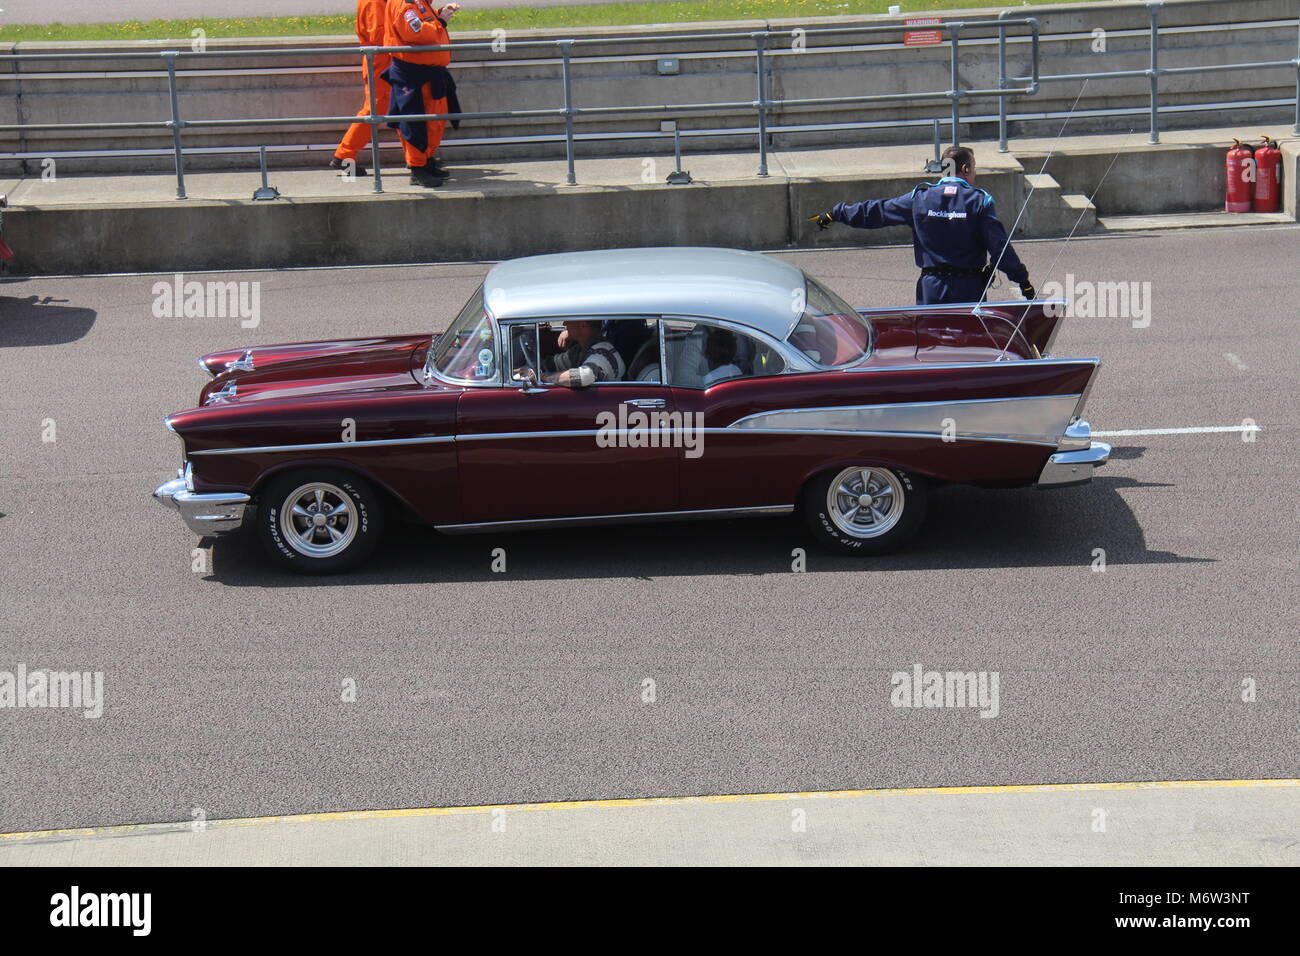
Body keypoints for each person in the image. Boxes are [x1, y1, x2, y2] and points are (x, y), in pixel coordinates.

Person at [808, 146, 1035, 306]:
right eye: (974, 168)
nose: (975, 174)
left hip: (931, 288)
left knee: (931, 349)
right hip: (968, 288)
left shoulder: (920, 198)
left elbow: (877, 211)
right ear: (965, 169)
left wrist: (836, 213)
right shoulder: (979, 200)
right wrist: (1022, 280)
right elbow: (1000, 248)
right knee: (968, 352)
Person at [383, 0, 462, 188]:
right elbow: (414, 32)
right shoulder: (405, 4)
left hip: (429, 74)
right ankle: (417, 168)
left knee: (434, 122)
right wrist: (440, 22)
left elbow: (419, 20)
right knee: (415, 122)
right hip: (414, 76)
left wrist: (439, 13)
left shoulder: (417, 2)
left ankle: (426, 161)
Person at [329, 0, 391, 177]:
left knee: (398, 109)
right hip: (382, 61)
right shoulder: (375, 2)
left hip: (384, 60)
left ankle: (421, 159)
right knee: (375, 109)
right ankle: (344, 156)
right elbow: (378, 35)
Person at [541, 320, 625, 388]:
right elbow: (553, 363)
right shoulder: (582, 348)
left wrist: (547, 379)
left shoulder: (602, 353)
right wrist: (534, 370)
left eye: (569, 319)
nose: (564, 323)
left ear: (583, 325)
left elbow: (585, 376)